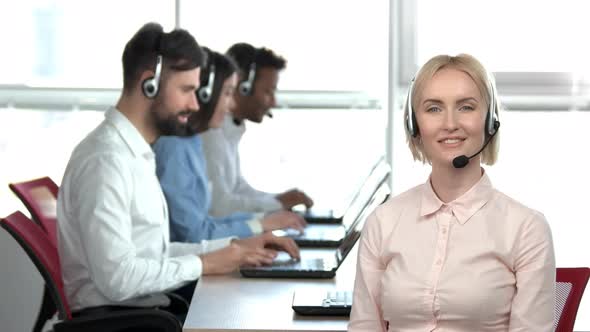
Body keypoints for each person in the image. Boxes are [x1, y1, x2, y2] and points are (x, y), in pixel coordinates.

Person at [56, 23, 299, 323]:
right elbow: (118, 279)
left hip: (145, 312)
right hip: (123, 322)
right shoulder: (106, 160)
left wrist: (232, 248)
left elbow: (152, 254)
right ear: (150, 84)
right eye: (186, 90)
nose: (195, 105)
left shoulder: (135, 154)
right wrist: (205, 263)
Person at [349, 54, 555, 331]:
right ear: (414, 125)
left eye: (466, 107)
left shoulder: (526, 228)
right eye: (433, 109)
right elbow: (365, 326)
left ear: (490, 121)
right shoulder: (383, 222)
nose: (449, 123)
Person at [154, 48, 306, 243]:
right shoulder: (182, 147)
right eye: (227, 93)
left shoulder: (191, 143)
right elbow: (199, 228)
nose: (231, 105)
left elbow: (210, 216)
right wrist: (263, 221)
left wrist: (266, 217)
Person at [200, 43, 314, 217]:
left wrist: (278, 200)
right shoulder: (210, 136)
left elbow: (238, 188)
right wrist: (278, 203)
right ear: (243, 87)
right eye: (268, 91)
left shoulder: (229, 132)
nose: (273, 102)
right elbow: (220, 207)